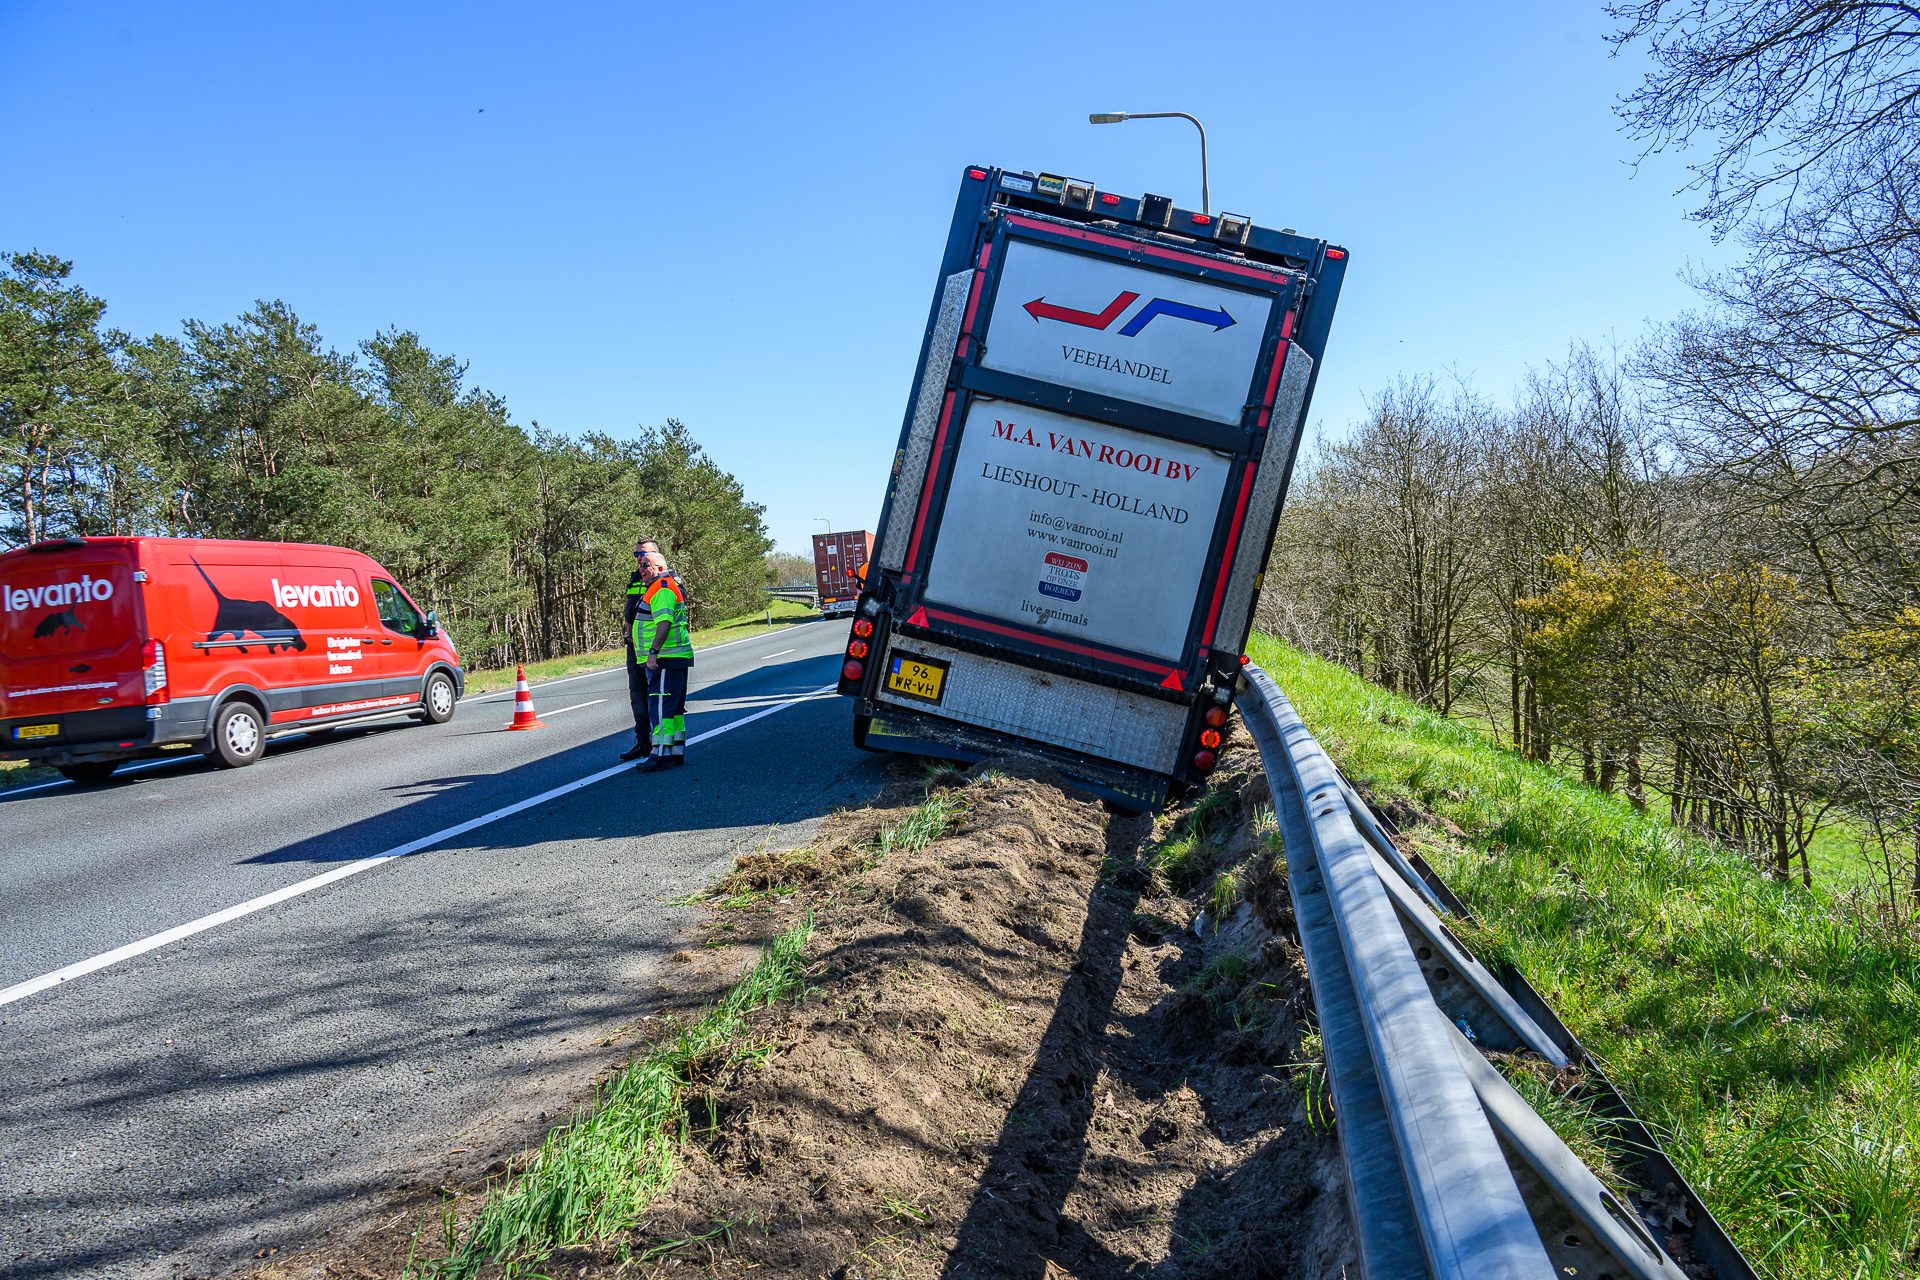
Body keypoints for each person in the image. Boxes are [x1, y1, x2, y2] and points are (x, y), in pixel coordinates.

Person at [633, 550, 693, 773]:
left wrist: (653, 652)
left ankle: (660, 754)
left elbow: (664, 622)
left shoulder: (662, 588)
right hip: (672, 657)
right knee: (673, 708)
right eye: (640, 564)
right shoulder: (659, 587)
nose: (641, 569)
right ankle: (675, 750)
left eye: (645, 564)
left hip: (665, 658)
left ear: (659, 567)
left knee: (660, 709)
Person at [619, 538, 665, 760]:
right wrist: (627, 630)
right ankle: (642, 742)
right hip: (635, 647)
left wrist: (655, 649)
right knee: (637, 694)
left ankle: (661, 746)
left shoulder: (665, 579)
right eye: (636, 555)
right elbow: (630, 609)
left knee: (658, 697)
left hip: (656, 649)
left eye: (643, 555)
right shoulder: (636, 578)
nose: (639, 559)